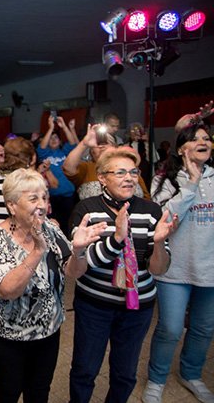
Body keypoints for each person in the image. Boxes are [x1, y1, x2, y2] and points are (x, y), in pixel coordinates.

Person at [0, 168, 106, 403]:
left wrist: (78, 251)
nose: (43, 204)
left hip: (47, 330)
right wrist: (37, 251)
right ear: (12, 206)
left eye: (45, 197)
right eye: (33, 198)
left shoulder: (51, 229)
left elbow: (73, 272)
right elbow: (7, 291)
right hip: (8, 335)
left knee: (39, 391)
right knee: (8, 390)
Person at [67, 148, 178, 403]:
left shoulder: (151, 211)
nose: (129, 178)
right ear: (102, 178)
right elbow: (83, 265)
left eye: (133, 172)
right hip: (94, 306)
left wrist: (159, 243)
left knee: (125, 373)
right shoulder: (86, 211)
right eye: (120, 172)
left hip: (137, 308)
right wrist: (117, 238)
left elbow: (159, 269)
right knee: (84, 370)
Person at [143, 123, 214, 403]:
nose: (203, 141)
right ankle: (157, 379)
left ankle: (191, 373)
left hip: (209, 268)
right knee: (170, 328)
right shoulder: (164, 180)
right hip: (175, 268)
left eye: (207, 138)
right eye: (195, 138)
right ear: (182, 148)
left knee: (203, 328)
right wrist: (191, 185)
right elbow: (165, 222)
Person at [62, 123, 150, 200]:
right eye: (98, 144)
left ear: (115, 148)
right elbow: (68, 168)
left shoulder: (129, 168)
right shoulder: (87, 168)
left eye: (106, 143)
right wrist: (84, 144)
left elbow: (146, 197)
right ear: (91, 152)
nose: (101, 147)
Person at [37, 116, 78, 234]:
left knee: (68, 225)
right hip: (53, 197)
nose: (54, 140)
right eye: (51, 138)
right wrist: (51, 128)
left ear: (60, 141)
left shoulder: (65, 152)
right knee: (54, 226)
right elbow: (42, 146)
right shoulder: (45, 154)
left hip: (68, 195)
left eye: (56, 138)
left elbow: (72, 143)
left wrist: (64, 127)